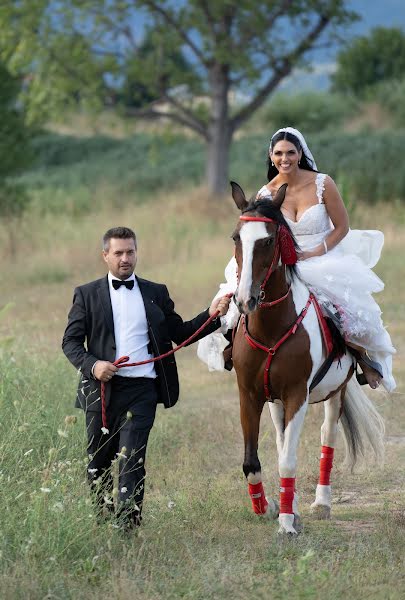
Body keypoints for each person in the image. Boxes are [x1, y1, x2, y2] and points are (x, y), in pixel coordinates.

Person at [197, 126, 396, 393]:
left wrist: (315, 252)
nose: (285, 158)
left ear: (300, 153)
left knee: (342, 307)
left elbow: (342, 227)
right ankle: (235, 348)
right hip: (278, 260)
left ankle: (361, 358)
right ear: (271, 155)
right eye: (278, 153)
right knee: (233, 301)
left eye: (291, 152)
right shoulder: (265, 193)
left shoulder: (322, 183)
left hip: (321, 257)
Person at [62, 226, 231, 529]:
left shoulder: (156, 293)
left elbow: (180, 333)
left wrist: (212, 315)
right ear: (105, 256)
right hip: (100, 390)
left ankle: (127, 529)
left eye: (130, 252)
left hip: (143, 390)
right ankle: (102, 522)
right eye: (118, 253)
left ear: (136, 252)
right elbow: (70, 343)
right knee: (98, 463)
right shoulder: (86, 294)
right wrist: (93, 365)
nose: (125, 258)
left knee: (132, 459)